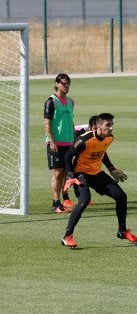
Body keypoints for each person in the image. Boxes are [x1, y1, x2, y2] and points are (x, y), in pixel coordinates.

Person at [61, 113, 137, 248]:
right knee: (84, 200)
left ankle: (122, 231)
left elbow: (102, 151)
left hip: (96, 173)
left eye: (111, 125)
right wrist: (70, 176)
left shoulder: (109, 138)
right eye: (108, 125)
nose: (111, 128)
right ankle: (67, 236)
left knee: (121, 196)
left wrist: (111, 168)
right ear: (98, 126)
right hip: (80, 173)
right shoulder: (84, 139)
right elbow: (68, 155)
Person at [44, 73, 76, 213]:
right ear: (57, 84)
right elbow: (47, 122)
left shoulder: (71, 102)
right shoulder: (51, 101)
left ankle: (62, 201)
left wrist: (74, 141)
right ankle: (56, 203)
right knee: (57, 173)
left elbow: (71, 122)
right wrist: (52, 141)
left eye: (68, 83)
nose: (66, 86)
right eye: (63, 83)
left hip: (68, 143)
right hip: (55, 143)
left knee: (64, 172)